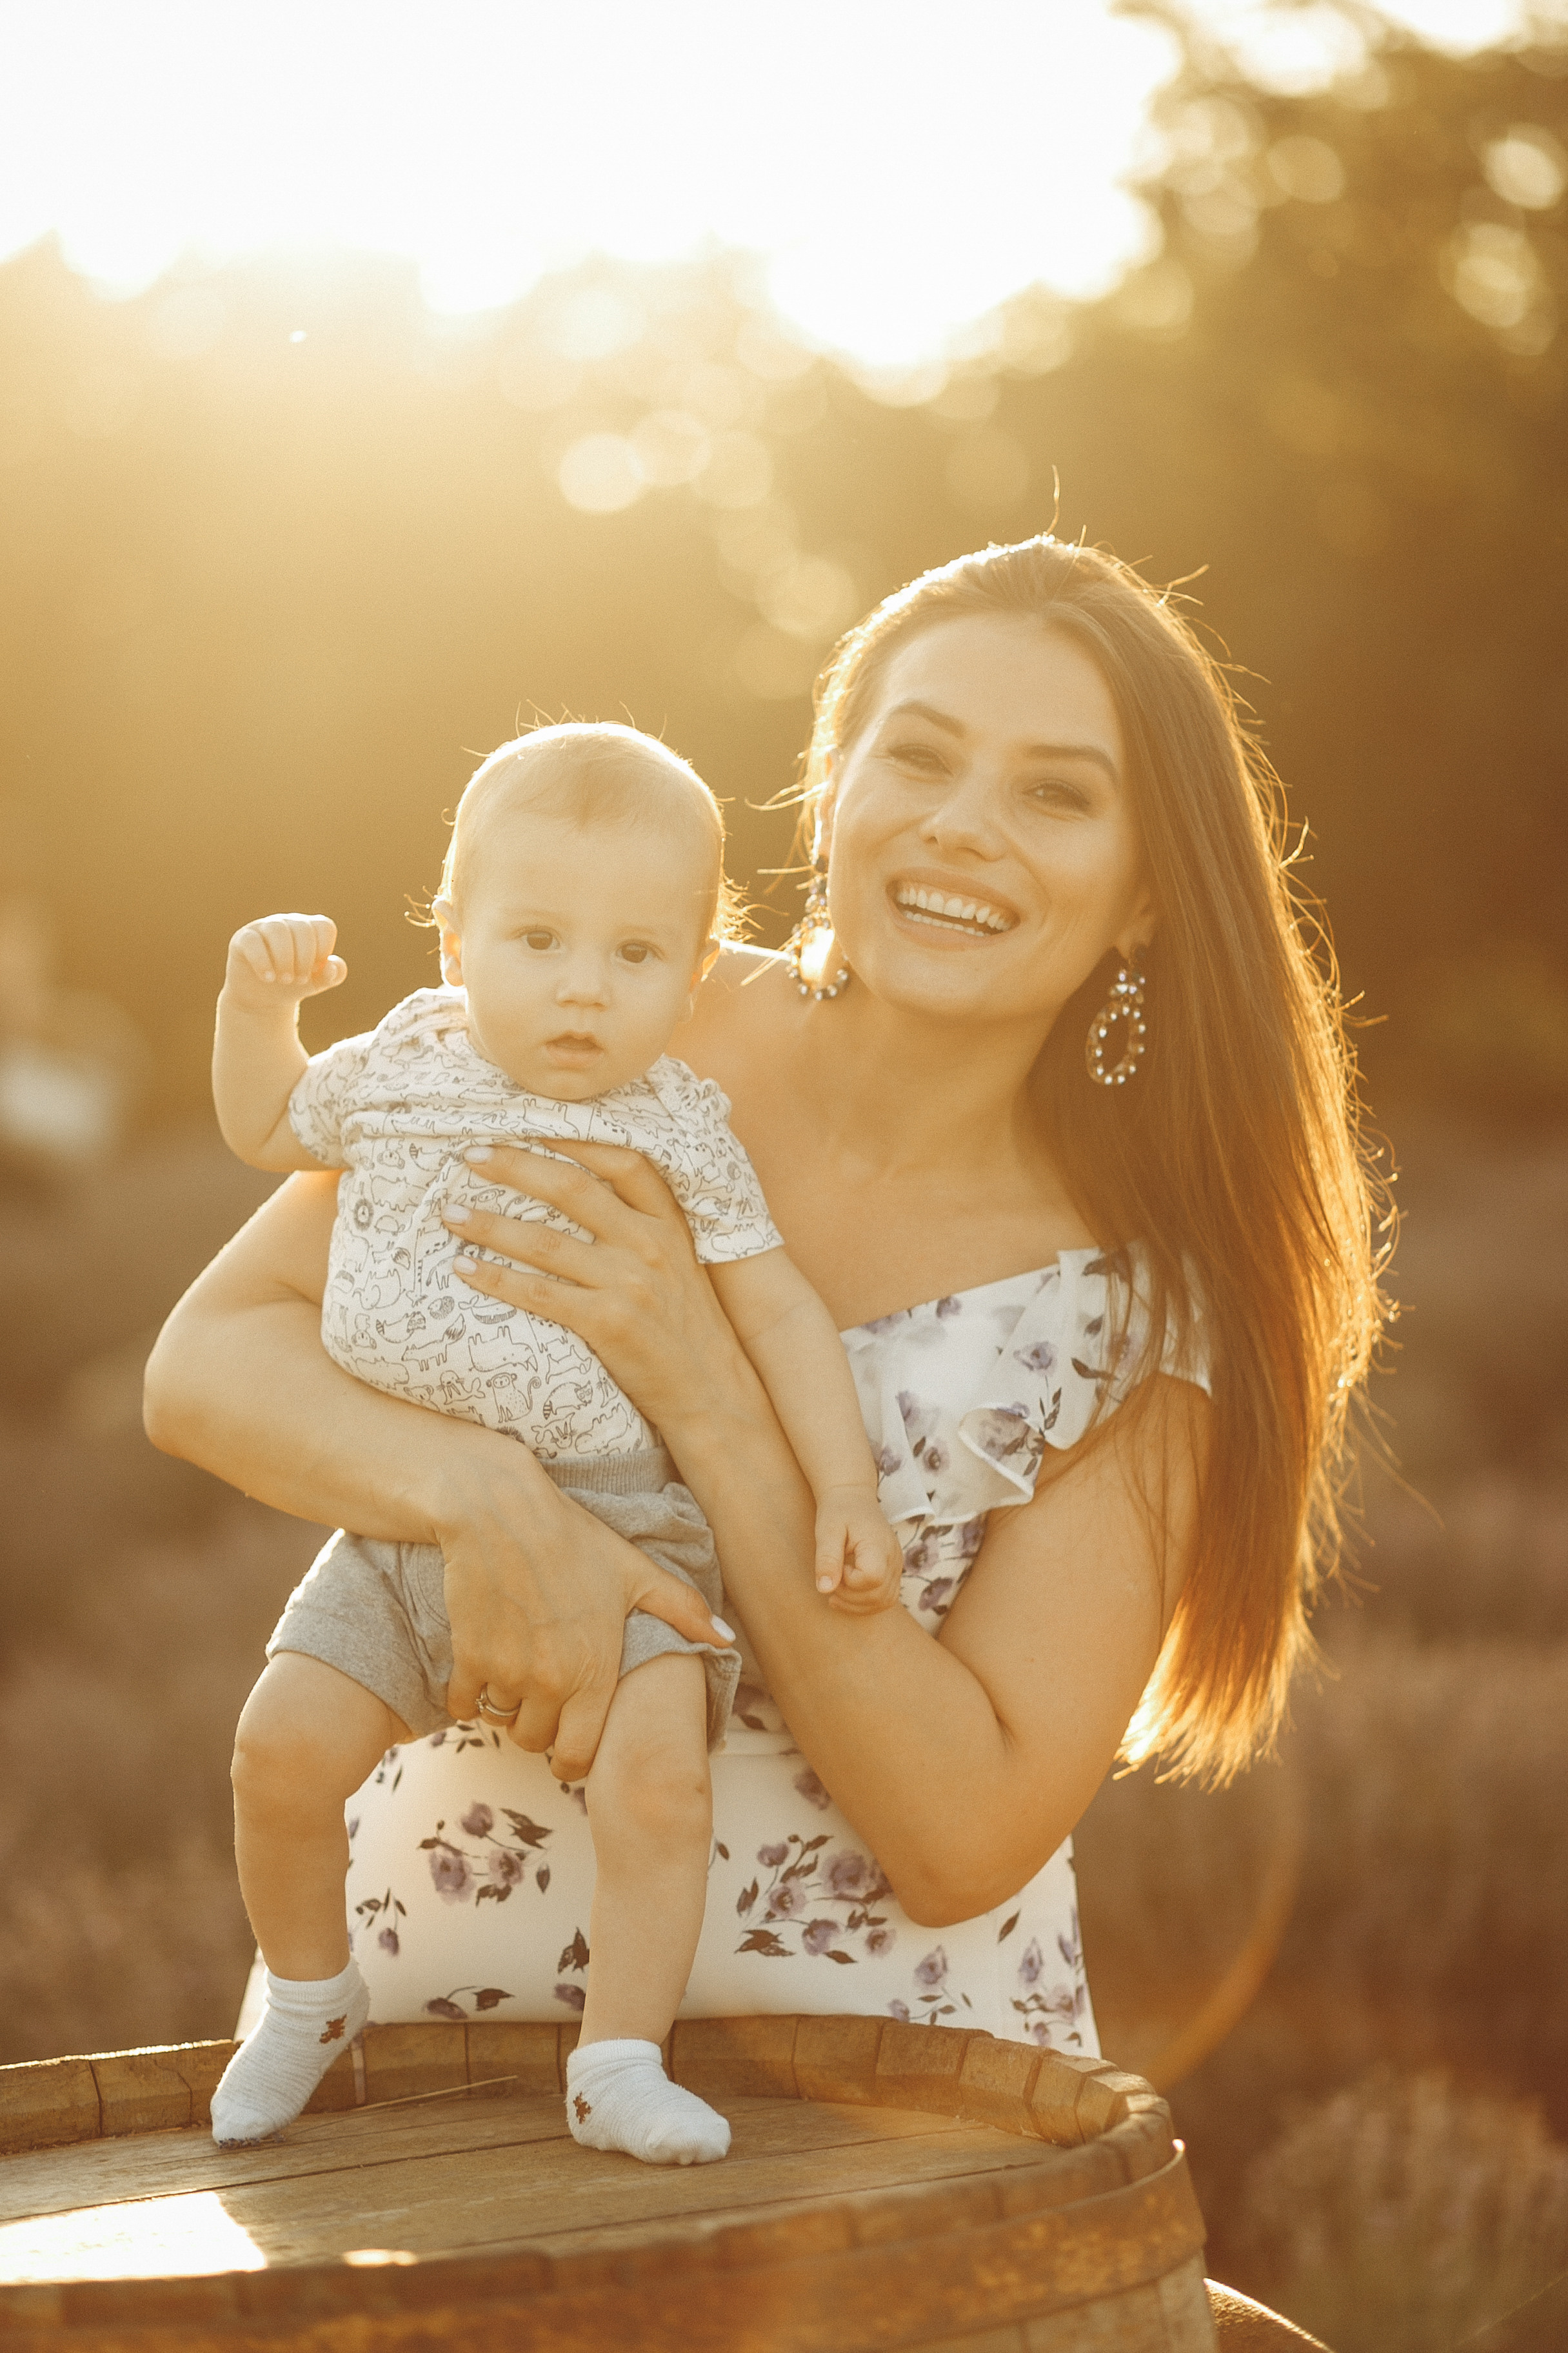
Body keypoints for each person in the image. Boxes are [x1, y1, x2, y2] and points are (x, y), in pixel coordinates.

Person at [145, 534, 1385, 2081]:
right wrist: (486, 1503)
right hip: (414, 2048)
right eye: (916, 757)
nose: (960, 825)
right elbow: (208, 1364)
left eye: (1054, 793)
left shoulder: (1140, 1312)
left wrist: (714, 1405)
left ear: (1145, 899)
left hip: (890, 2128)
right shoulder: (619, 1027)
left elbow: (962, 1836)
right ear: (834, 789)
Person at [201, 725, 902, 2165]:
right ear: (455, 944)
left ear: (693, 974)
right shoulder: (400, 1061)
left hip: (629, 1519)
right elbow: (266, 1119)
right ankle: (308, 1995)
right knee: (276, 1754)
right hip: (394, 1504)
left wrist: (846, 1488)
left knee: (658, 1779)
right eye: (537, 939)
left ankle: (620, 2063)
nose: (584, 987)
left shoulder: (678, 1126)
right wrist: (253, 1002)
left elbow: (775, 1314)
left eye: (637, 955)